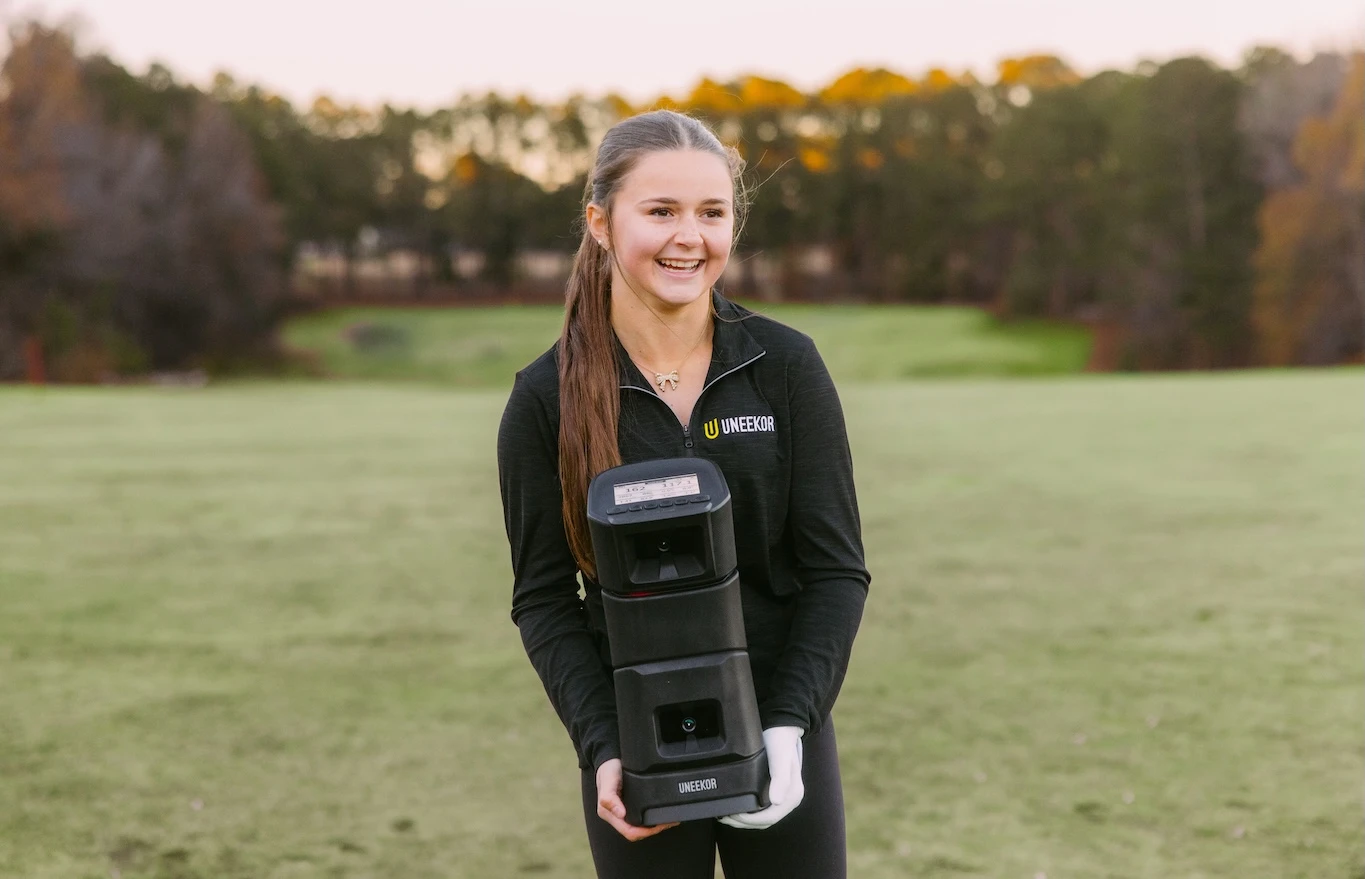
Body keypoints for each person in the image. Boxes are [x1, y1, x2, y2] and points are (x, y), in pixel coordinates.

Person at [497, 109, 869, 879]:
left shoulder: (785, 366)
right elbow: (542, 598)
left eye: (711, 212)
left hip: (781, 725)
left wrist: (789, 725)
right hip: (637, 744)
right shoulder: (544, 398)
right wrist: (601, 745)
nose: (688, 237)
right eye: (660, 211)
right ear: (599, 222)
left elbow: (835, 571)